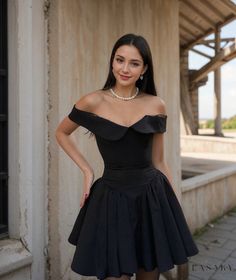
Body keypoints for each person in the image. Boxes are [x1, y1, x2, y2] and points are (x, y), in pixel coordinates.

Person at [55, 33, 199, 280]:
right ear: (112, 62)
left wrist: (172, 206)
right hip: (111, 199)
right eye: (120, 60)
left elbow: (159, 160)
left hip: (151, 198)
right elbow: (61, 133)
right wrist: (87, 170)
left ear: (144, 69)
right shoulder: (92, 101)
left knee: (149, 274)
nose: (125, 68)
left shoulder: (156, 105)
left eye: (134, 63)